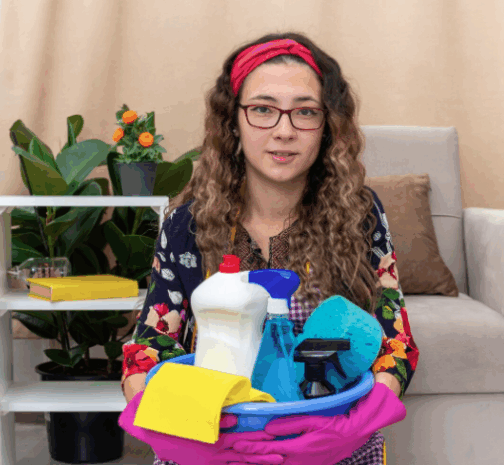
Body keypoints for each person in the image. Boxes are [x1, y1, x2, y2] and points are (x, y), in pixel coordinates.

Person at [120, 32, 419, 465]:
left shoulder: (360, 213)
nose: (284, 131)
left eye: (305, 112)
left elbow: (395, 341)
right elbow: (149, 347)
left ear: (328, 127)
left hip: (328, 443)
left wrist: (349, 429)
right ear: (233, 121)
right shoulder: (187, 223)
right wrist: (184, 431)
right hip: (212, 439)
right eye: (263, 109)